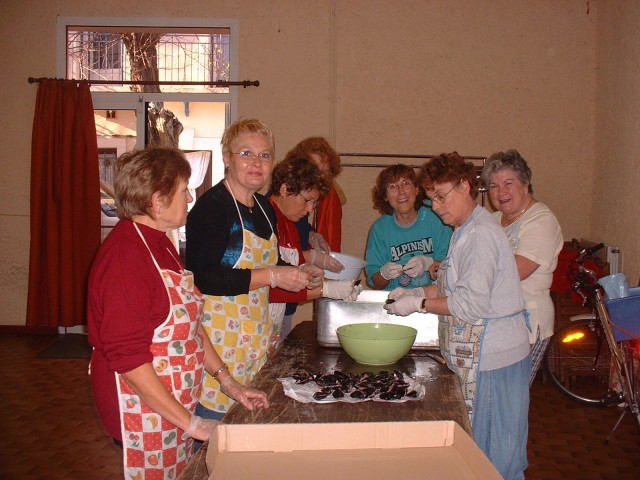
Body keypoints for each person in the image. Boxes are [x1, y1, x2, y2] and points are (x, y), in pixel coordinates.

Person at [88, 147, 269, 480]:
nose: (189, 197)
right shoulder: (125, 259)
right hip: (140, 408)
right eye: (183, 189)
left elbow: (189, 323)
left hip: (172, 401)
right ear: (157, 201)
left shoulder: (160, 243)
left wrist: (229, 383)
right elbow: (129, 360)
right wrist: (193, 424)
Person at [384, 152, 531, 480]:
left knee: (494, 458)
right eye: (431, 198)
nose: (435, 206)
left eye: (441, 196)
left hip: (494, 360)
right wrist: (415, 293)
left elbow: (469, 305)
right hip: (481, 357)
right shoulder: (465, 230)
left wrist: (418, 306)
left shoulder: (479, 235)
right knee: (480, 451)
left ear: (465, 186)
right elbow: (451, 286)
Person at [185, 119, 310, 421]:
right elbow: (203, 277)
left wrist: (296, 273)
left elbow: (261, 263)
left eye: (264, 155)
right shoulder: (211, 208)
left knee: (248, 428)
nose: (256, 163)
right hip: (219, 344)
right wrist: (272, 276)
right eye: (246, 154)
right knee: (217, 436)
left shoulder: (264, 208)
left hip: (255, 336)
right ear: (227, 157)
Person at [481, 149, 563, 386]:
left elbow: (517, 271)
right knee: (494, 397)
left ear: (526, 185)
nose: (500, 192)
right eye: (493, 186)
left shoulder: (541, 220)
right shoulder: (494, 220)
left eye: (508, 183)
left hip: (527, 323)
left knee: (511, 396)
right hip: (497, 321)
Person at [267, 156, 362, 344]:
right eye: (307, 200)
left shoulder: (291, 226)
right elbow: (267, 287)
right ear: (285, 189)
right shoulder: (264, 222)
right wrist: (325, 289)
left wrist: (306, 272)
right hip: (251, 327)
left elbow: (285, 270)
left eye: (314, 203)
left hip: (273, 325)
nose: (310, 210)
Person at [365, 164, 452, 290]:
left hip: (433, 300)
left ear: (417, 189)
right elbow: (376, 282)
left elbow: (452, 270)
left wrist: (430, 263)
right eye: (392, 186)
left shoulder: (437, 219)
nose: (401, 192)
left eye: (406, 183)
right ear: (385, 196)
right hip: (396, 302)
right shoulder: (379, 229)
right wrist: (384, 274)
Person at [284, 136, 345, 252]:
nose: (320, 177)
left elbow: (300, 226)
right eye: (315, 170)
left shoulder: (306, 196)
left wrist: (311, 235)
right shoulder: (287, 198)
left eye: (325, 172)